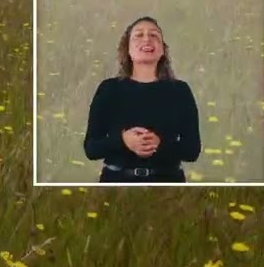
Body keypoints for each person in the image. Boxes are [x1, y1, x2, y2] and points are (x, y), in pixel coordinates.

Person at [83, 16, 202, 183]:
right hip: (116, 182)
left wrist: (160, 144)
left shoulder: (180, 91)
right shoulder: (109, 89)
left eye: (154, 35)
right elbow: (91, 148)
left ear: (162, 50)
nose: (147, 38)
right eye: (138, 35)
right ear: (128, 49)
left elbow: (192, 151)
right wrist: (123, 140)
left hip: (168, 183)